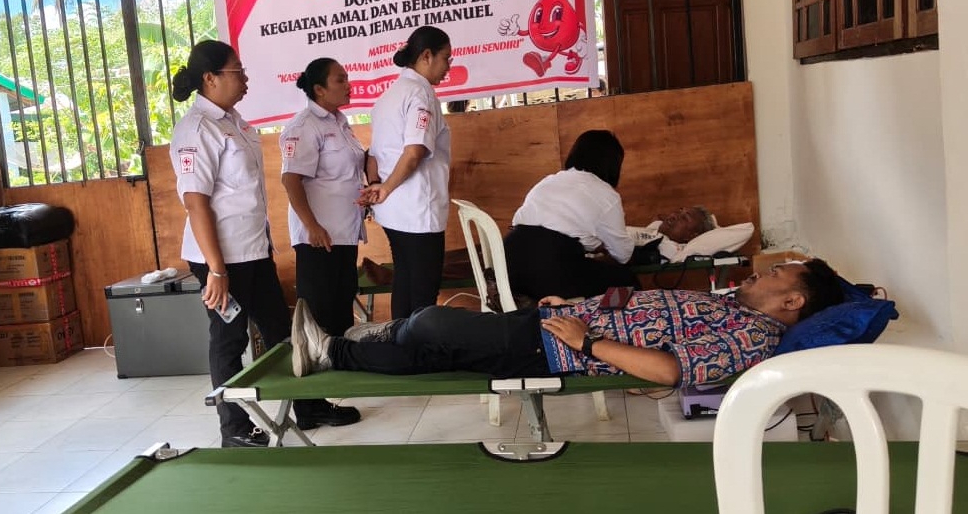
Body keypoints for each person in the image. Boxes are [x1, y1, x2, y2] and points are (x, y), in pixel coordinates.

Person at [169, 40, 357, 448]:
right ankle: (234, 428)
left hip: (253, 250)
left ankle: (308, 406)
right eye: (237, 72)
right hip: (222, 259)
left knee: (281, 332)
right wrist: (216, 270)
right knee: (229, 339)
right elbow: (196, 203)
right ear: (210, 78)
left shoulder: (234, 122)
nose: (245, 79)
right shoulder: (196, 129)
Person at [290, 259, 844, 387]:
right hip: (558, 324)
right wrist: (578, 303)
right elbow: (645, 310)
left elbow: (671, 371)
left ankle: (373, 336)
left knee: (433, 326)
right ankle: (333, 351)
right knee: (434, 349)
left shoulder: (753, 336)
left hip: (555, 348)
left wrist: (588, 339)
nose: (762, 272)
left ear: (793, 301)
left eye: (776, 274)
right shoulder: (736, 307)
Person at [363, 26, 453, 319]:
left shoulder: (389, 96)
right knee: (423, 294)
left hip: (394, 212)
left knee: (404, 282)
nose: (448, 67)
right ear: (427, 56)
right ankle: (418, 345)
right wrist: (385, 187)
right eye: (446, 58)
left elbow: (373, 154)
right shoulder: (420, 94)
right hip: (417, 211)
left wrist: (379, 185)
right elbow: (414, 152)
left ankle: (400, 340)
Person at [279, 58, 367, 337]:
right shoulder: (304, 126)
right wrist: (312, 226)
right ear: (319, 89)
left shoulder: (340, 122)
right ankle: (322, 363)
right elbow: (291, 180)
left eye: (347, 78)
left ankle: (341, 361)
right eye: (340, 80)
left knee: (342, 310)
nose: (348, 85)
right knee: (321, 316)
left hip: (344, 233)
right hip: (319, 238)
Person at [504, 129, 638, 301]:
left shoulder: (549, 181)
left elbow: (529, 226)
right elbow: (623, 255)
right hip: (550, 270)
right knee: (626, 280)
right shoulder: (606, 195)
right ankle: (606, 318)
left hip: (509, 267)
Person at [627, 206, 717, 264]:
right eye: (679, 211)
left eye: (684, 218)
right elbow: (658, 217)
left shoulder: (670, 249)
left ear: (691, 236)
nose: (673, 215)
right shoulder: (653, 230)